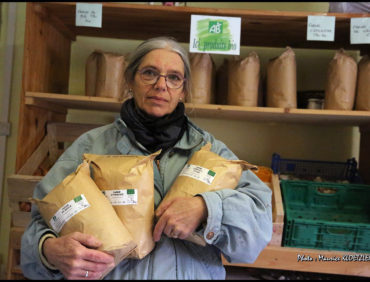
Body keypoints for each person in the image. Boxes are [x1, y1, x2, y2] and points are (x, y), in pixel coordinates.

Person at [20, 36, 272, 280]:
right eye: (149, 73)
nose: (161, 85)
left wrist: (207, 208)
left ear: (183, 90)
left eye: (174, 78)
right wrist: (49, 251)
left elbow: (259, 230)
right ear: (130, 80)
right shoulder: (90, 148)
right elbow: (38, 227)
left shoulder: (211, 152)